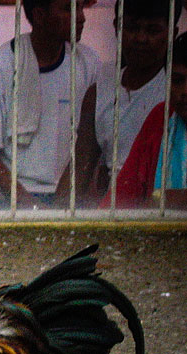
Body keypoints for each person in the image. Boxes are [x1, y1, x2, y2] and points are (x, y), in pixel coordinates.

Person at [0, 0, 98, 209]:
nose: (81, 17)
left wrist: (62, 205)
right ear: (39, 15)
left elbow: (91, 150)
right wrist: (32, 206)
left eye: (81, 7)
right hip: (8, 199)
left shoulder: (88, 62)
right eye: (69, 9)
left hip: (69, 196)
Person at [76, 0, 181, 202]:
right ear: (117, 27)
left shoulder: (178, 91)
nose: (141, 38)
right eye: (132, 27)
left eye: (153, 30)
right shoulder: (99, 91)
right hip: (112, 209)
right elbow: (80, 169)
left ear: (172, 34)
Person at [110, 32, 187, 209]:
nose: (185, 90)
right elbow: (124, 195)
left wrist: (164, 200)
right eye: (177, 81)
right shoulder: (161, 118)